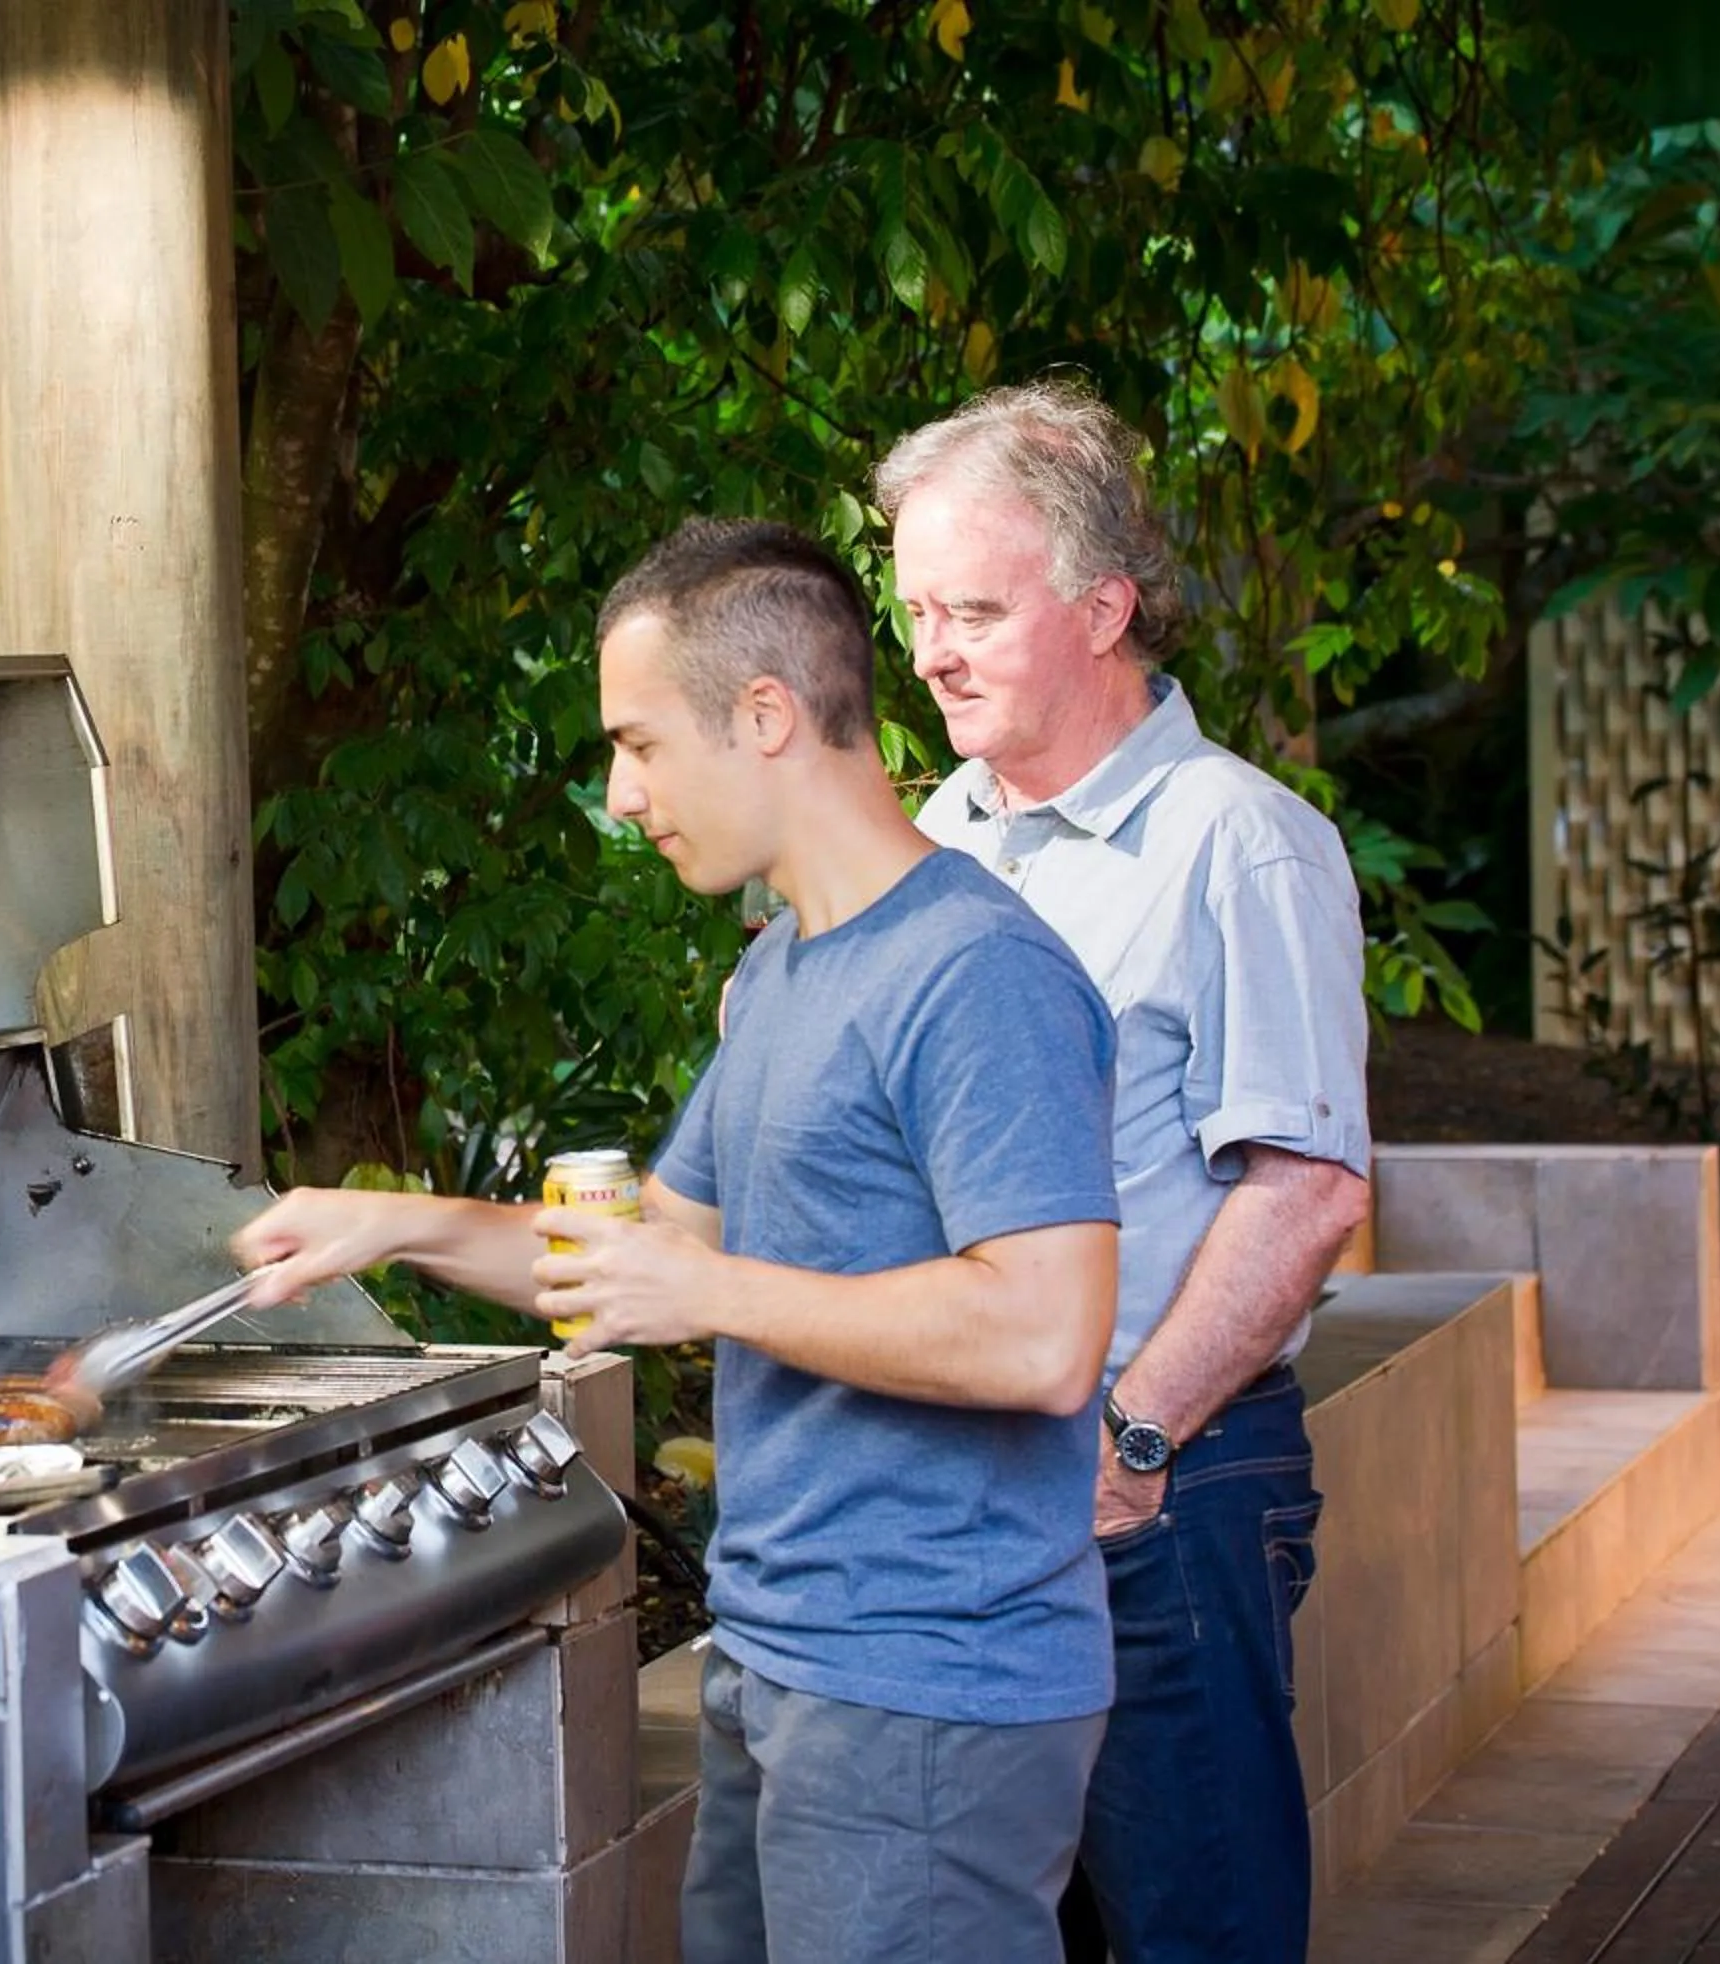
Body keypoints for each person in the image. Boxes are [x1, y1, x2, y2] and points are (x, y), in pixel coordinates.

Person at [232, 518, 1126, 1963]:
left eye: (639, 744)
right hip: (778, 1659)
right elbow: (639, 1255)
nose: (619, 793)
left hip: (925, 1685)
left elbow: (1044, 1335)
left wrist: (709, 1288)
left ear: (764, 715)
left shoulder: (977, 975)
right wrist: (390, 1226)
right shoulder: (783, 965)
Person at [877, 380, 1374, 1964]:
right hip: (946, 1506)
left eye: (973, 610)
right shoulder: (914, 854)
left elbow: (1304, 1190)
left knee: (1191, 1931)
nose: (932, 652)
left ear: (1103, 610)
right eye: (913, 612)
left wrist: (1133, 1440)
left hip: (1157, 1486)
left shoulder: (1241, 843)